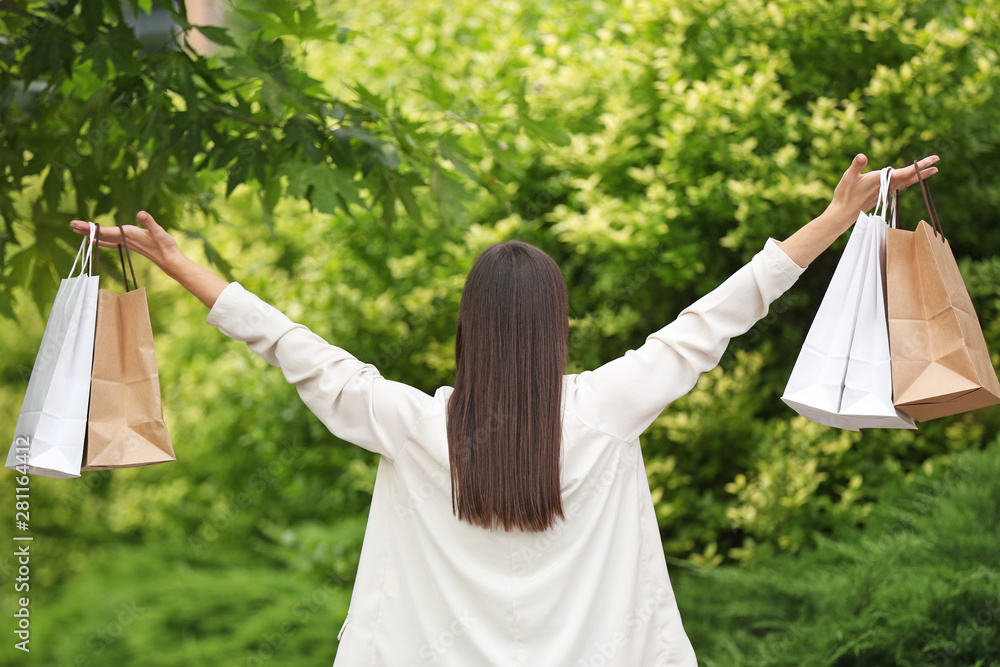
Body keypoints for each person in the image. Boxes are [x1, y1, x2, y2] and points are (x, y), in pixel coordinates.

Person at [71, 154, 939, 666]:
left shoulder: (412, 425)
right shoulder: (607, 407)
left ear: (468, 330)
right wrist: (831, 220)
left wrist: (182, 266)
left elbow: (290, 345)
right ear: (556, 328)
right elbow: (717, 316)